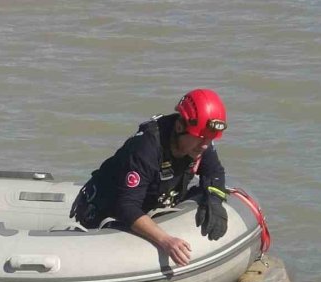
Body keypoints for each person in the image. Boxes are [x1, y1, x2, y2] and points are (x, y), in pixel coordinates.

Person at [70, 89, 229, 267]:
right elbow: (127, 207)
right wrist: (166, 240)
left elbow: (215, 173)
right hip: (106, 213)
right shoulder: (146, 148)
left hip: (150, 203)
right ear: (180, 127)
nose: (205, 145)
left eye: (210, 139)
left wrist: (214, 200)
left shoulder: (198, 143)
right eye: (201, 138)